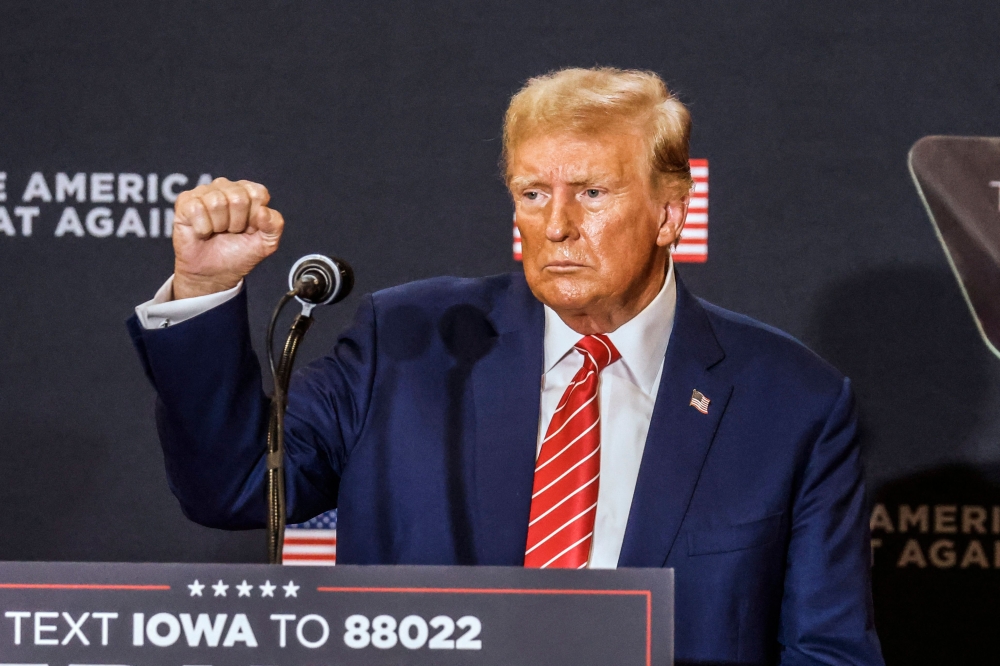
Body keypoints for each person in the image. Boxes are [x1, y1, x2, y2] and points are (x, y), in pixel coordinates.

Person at [128, 67, 884, 664]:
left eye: (592, 193)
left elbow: (828, 650)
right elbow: (234, 487)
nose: (556, 226)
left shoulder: (791, 402)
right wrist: (204, 288)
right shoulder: (414, 340)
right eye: (532, 193)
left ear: (669, 211)